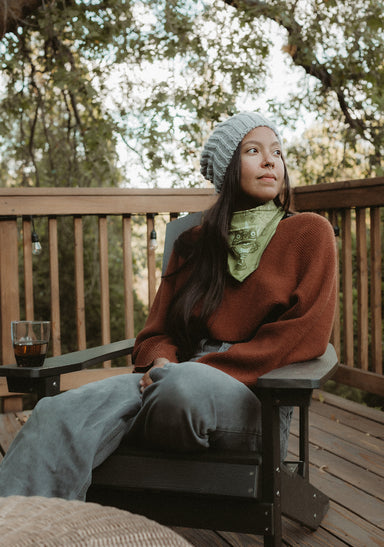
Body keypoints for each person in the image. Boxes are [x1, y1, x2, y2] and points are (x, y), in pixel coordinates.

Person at [0, 112, 337, 501]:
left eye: (277, 153)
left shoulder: (310, 232)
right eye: (253, 150)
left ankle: (109, 430)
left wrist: (187, 371)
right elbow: (156, 333)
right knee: (54, 414)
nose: (270, 161)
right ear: (227, 167)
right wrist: (161, 360)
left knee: (179, 389)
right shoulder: (193, 242)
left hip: (255, 394)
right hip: (170, 380)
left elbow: (304, 334)